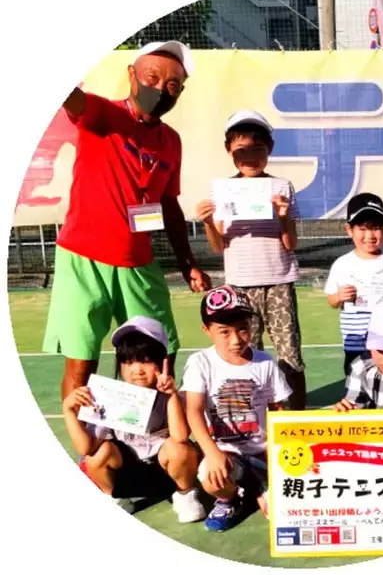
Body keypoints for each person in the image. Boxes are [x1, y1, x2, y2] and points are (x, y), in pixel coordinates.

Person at [44, 41, 212, 401]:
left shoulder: (171, 142)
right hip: (83, 259)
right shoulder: (104, 115)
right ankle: (82, 435)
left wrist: (188, 263)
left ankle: (155, 429)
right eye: (152, 78)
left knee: (160, 357)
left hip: (138, 262)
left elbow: (169, 204)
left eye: (172, 85)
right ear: (132, 76)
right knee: (81, 364)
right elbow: (71, 98)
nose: (160, 89)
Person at [196, 110, 306, 410]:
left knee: (290, 354)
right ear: (229, 150)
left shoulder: (281, 186)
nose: (250, 157)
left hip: (279, 281)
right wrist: (207, 222)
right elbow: (218, 246)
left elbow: (291, 243)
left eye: (258, 149)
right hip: (240, 286)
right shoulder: (222, 190)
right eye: (241, 150)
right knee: (246, 351)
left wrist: (283, 217)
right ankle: (253, 417)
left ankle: (295, 416)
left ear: (270, 148)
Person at [62, 316, 205, 522]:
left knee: (181, 449)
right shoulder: (109, 396)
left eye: (146, 361)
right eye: (128, 362)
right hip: (127, 473)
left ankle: (184, 495)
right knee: (96, 456)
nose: (137, 370)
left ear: (162, 362)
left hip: (164, 473)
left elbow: (180, 436)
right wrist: (68, 410)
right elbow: (86, 448)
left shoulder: (172, 396)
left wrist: (171, 396)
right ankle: (117, 498)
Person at [181, 285, 292, 532]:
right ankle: (229, 499)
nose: (236, 339)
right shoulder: (200, 362)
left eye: (243, 328)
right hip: (226, 451)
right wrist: (212, 453)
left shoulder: (264, 362)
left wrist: (280, 450)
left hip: (264, 451)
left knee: (286, 511)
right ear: (206, 330)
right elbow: (194, 411)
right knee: (212, 478)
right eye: (224, 332)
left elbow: (278, 409)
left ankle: (260, 485)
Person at [324, 193, 383, 376]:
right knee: (356, 382)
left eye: (376, 228)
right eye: (362, 229)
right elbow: (331, 301)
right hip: (355, 341)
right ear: (349, 230)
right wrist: (339, 296)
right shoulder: (342, 264)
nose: (369, 235)